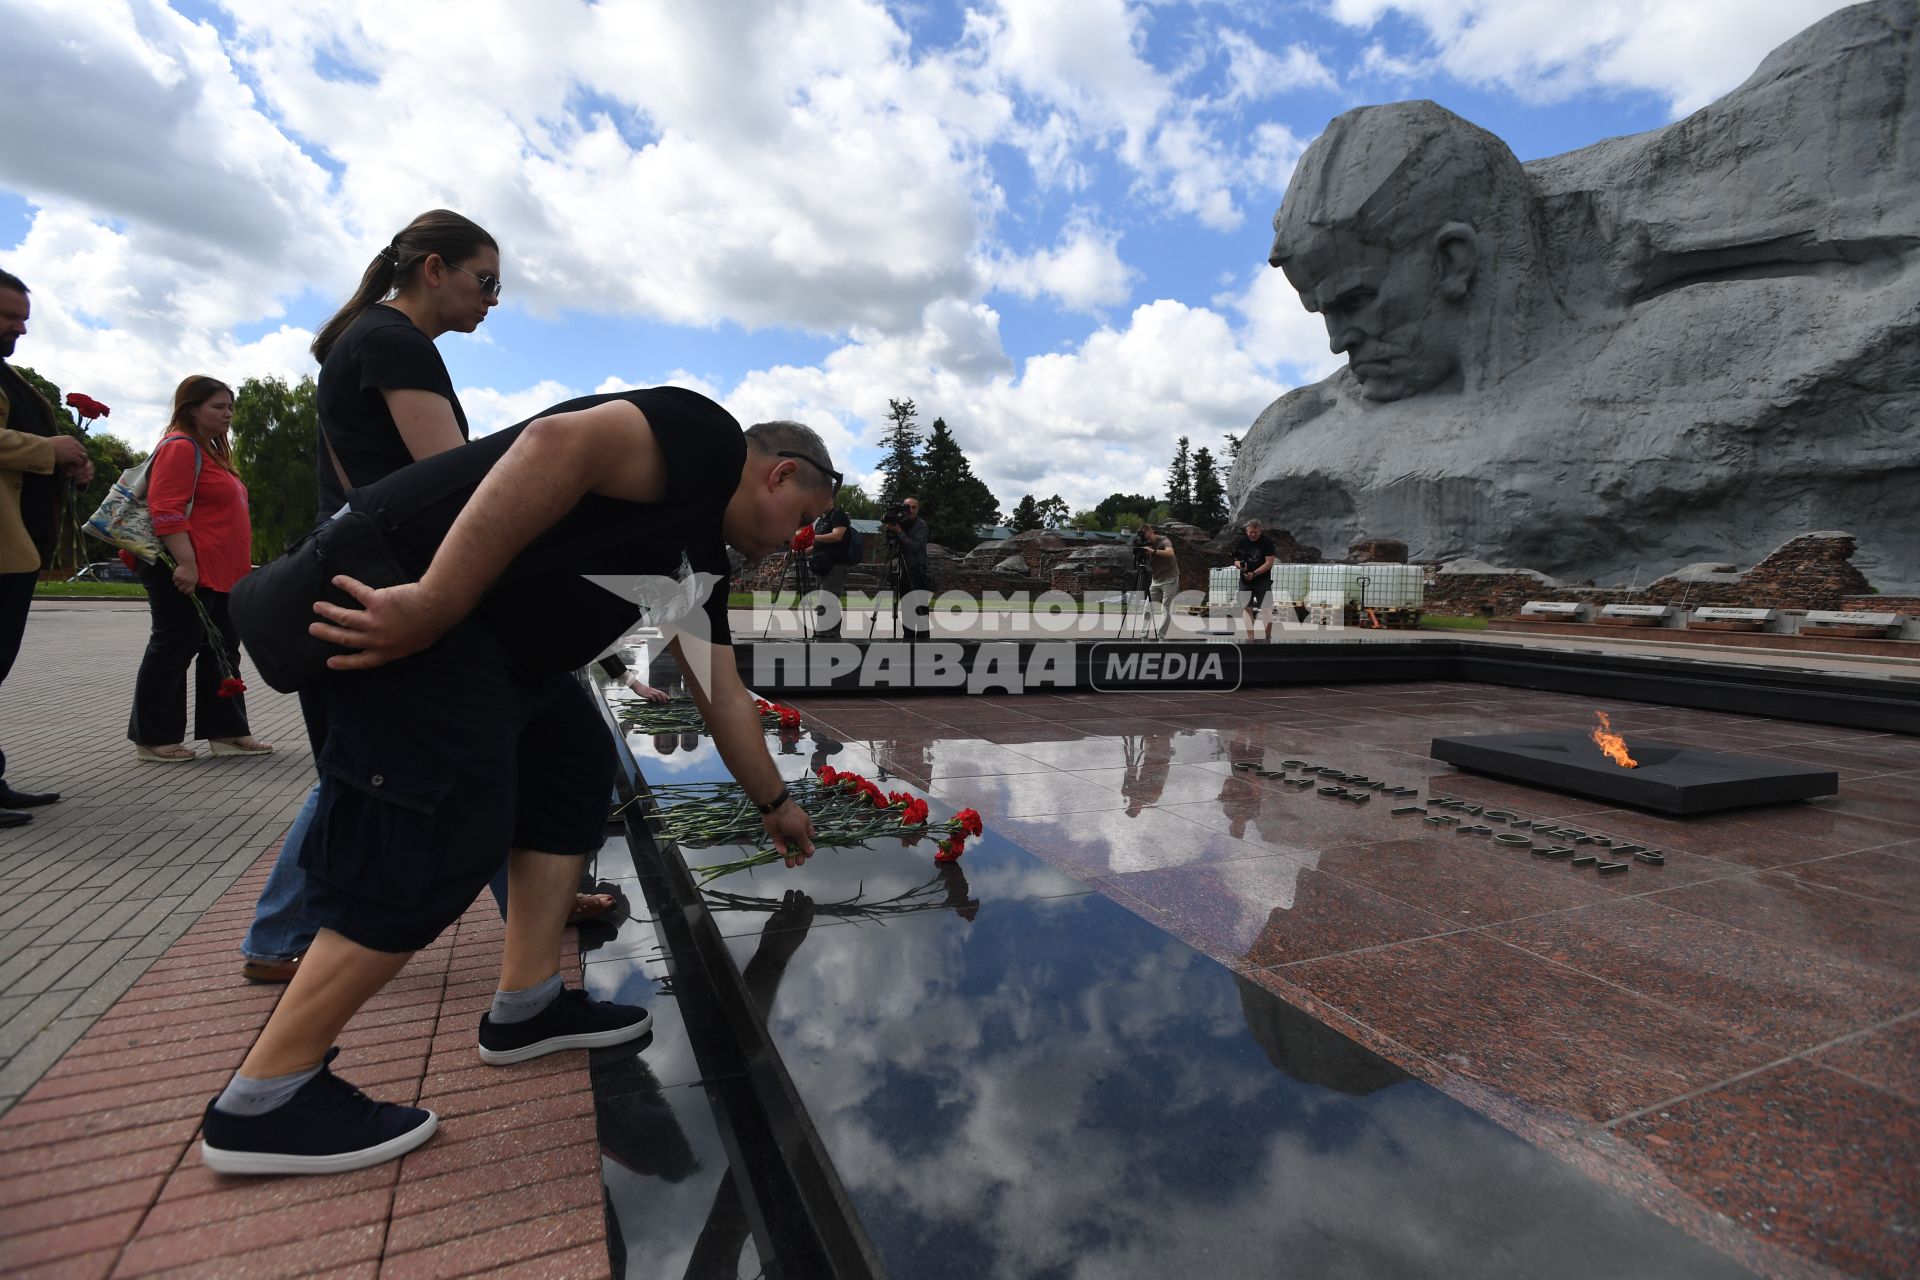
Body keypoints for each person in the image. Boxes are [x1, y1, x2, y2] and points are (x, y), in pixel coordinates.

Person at [203, 391, 831, 1175]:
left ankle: (527, 1007)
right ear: (778, 475)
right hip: (414, 608)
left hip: (499, 654)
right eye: (799, 520)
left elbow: (721, 691)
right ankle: (267, 1096)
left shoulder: (696, 557)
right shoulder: (703, 438)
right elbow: (554, 445)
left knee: (571, 764)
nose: (789, 545)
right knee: (445, 825)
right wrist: (437, 599)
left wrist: (774, 802)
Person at [238, 210, 629, 981]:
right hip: (395, 581)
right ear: (432, 270)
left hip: (383, 573)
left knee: (462, 744)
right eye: (484, 282)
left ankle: (527, 907)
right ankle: (282, 934)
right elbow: (453, 482)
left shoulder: (373, 341)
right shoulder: (392, 344)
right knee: (396, 760)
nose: (492, 299)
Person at [125, 377, 269, 761]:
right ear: (191, 408)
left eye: (230, 408)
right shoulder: (180, 447)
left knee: (223, 651)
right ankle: (153, 738)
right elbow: (166, 510)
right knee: (173, 648)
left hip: (222, 572)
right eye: (218, 407)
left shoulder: (212, 453)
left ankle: (228, 732)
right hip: (182, 568)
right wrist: (187, 564)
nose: (227, 415)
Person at [0, 269, 94, 825]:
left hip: (18, 547)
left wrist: (70, 464)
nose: (20, 329)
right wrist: (47, 448)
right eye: (10, 316)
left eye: (23, 319)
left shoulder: (13, 379)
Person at [886, 496, 933, 641]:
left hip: (919, 572)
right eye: (908, 507)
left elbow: (915, 546)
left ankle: (923, 641)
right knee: (907, 609)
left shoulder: (921, 526)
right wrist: (890, 530)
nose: (910, 510)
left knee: (921, 610)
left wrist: (899, 531)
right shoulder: (901, 523)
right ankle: (908, 639)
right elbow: (890, 544)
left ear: (917, 510)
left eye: (913, 507)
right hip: (904, 571)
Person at [805, 500, 852, 638]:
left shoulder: (837, 515)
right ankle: (822, 632)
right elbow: (817, 544)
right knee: (821, 601)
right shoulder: (821, 521)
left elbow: (837, 535)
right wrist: (801, 550)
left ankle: (829, 635)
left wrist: (813, 537)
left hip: (835, 565)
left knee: (828, 601)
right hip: (822, 565)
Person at [1231, 517, 1278, 642]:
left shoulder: (1267, 542)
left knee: (1266, 608)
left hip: (1262, 580)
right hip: (1245, 581)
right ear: (1247, 531)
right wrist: (1240, 565)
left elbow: (1269, 563)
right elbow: (1235, 560)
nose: (1252, 535)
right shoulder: (1241, 542)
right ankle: (1250, 638)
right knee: (1247, 609)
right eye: (1250, 532)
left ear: (1260, 531)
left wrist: (1255, 573)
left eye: (1255, 532)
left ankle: (1268, 637)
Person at [1139, 521, 1178, 639]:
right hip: (1156, 579)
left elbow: (1171, 553)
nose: (1148, 539)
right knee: (1147, 607)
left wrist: (1153, 551)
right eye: (1145, 537)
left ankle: (1161, 637)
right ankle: (1144, 635)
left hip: (1170, 577)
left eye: (1148, 536)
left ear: (1151, 532)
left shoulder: (1164, 540)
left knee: (1165, 608)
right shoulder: (1145, 544)